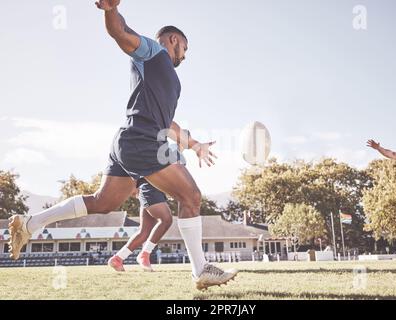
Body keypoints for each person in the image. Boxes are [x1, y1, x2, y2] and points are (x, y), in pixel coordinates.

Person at [8, 0, 237, 290]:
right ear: (174, 40)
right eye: (185, 49)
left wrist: (194, 144)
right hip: (141, 141)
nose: (184, 56)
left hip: (127, 141)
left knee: (103, 202)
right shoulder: (154, 53)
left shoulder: (166, 78)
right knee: (190, 196)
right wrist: (110, 9)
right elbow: (120, 32)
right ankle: (201, 269)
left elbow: (169, 124)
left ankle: (30, 224)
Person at [108, 144, 184, 272]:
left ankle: (118, 258)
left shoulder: (174, 152)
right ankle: (145, 254)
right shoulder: (169, 150)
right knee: (166, 219)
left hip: (152, 190)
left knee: (144, 232)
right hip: (150, 189)